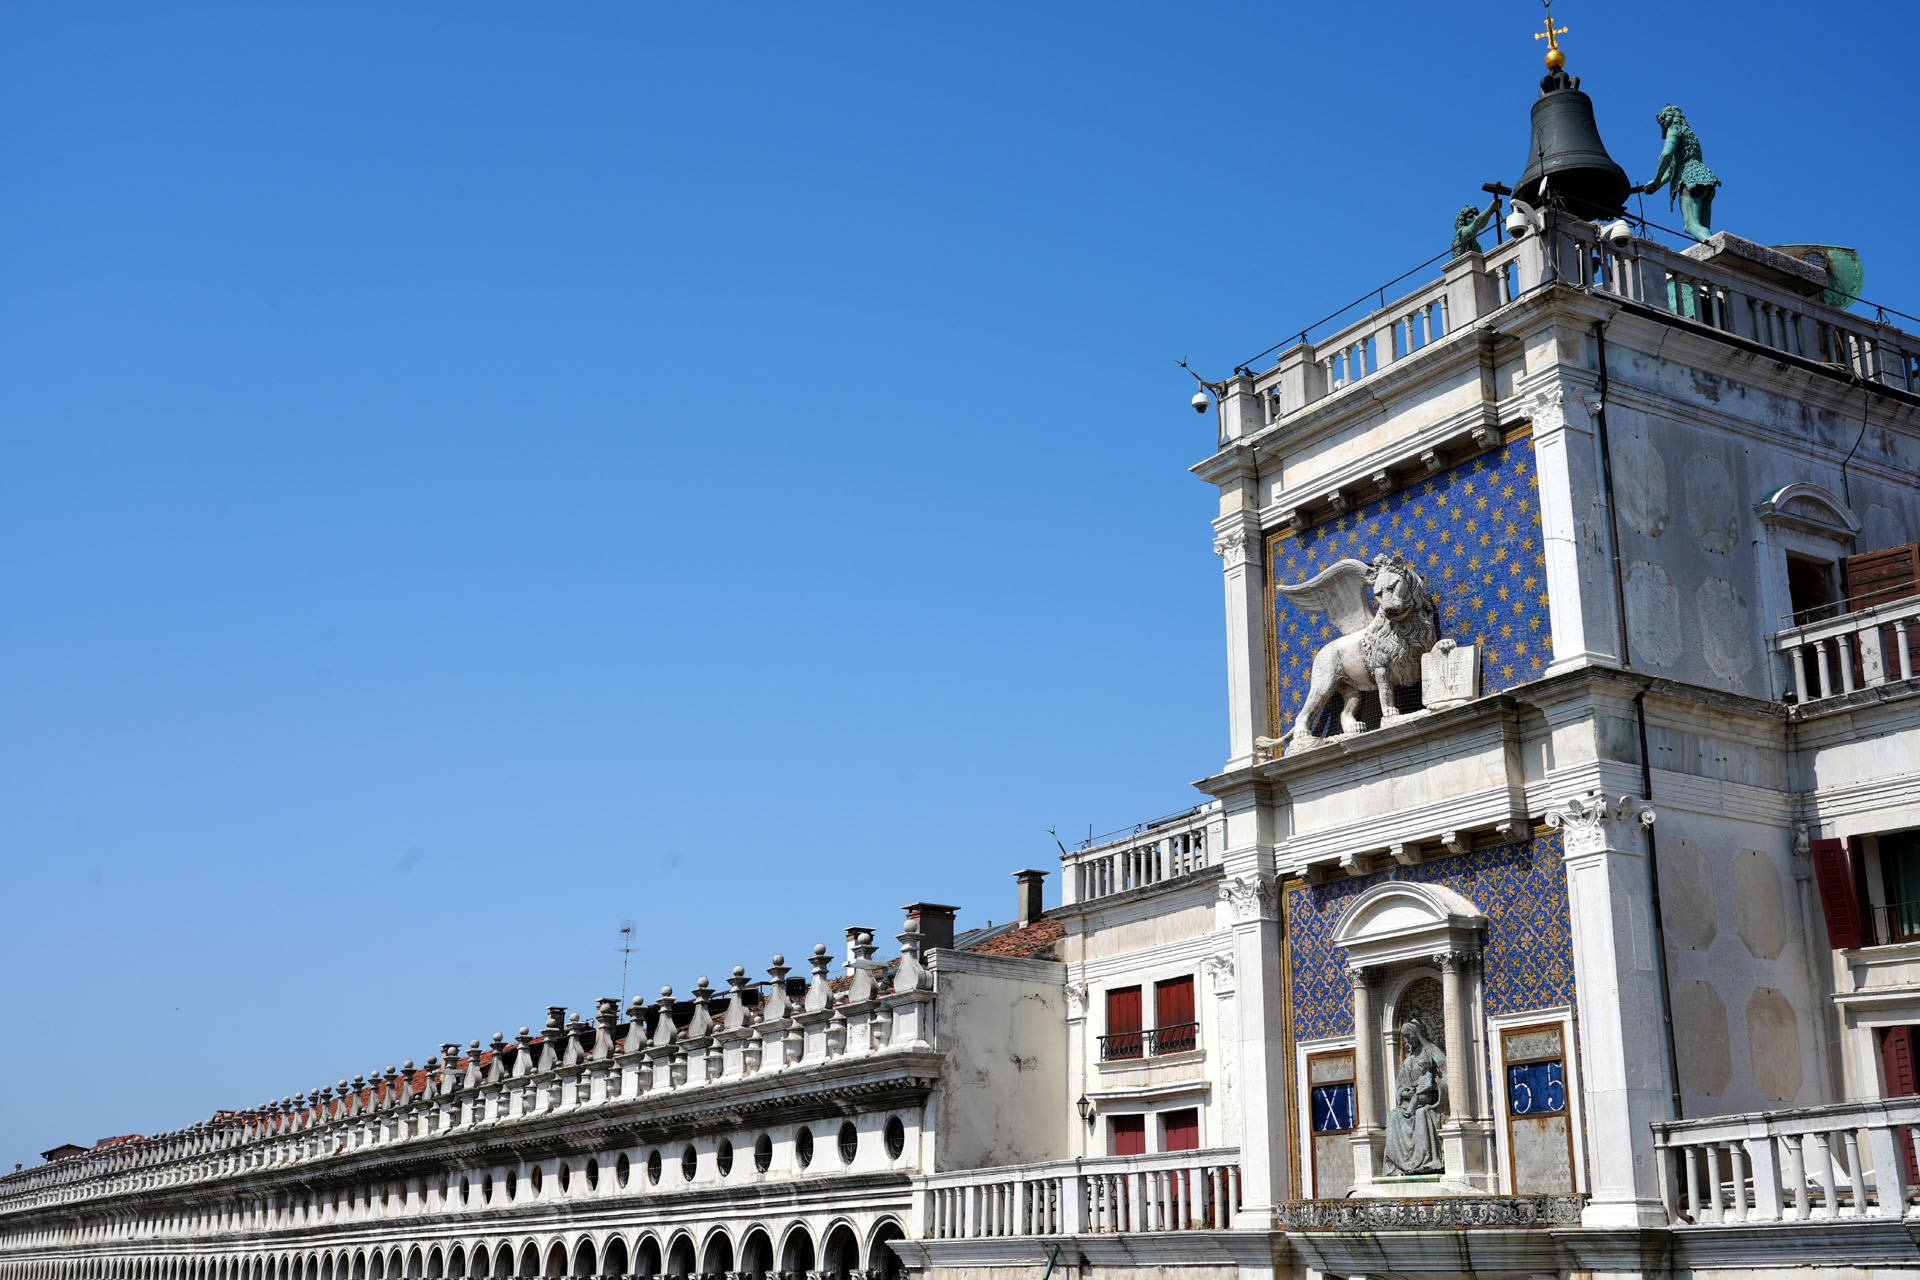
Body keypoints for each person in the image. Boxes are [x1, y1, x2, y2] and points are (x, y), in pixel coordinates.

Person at [1641, 104, 1720, 243]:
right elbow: (1673, 169)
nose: (1664, 121)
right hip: (1707, 183)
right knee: (1702, 229)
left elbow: (1666, 155)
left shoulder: (1674, 129)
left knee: (1691, 226)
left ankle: (1719, 248)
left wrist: (1656, 179)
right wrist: (1657, 185)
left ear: (1674, 117)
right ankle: (1715, 257)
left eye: (1666, 117)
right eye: (1662, 120)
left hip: (1690, 182)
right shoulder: (1689, 132)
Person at [1383, 1018, 1446, 1175]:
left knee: (1420, 1113)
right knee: (1393, 1116)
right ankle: (1401, 1164)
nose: (1406, 1040)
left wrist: (1435, 1085)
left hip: (1429, 1100)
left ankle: (1425, 1160)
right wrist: (1404, 1092)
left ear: (1417, 1034)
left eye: (1409, 1035)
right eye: (1404, 1037)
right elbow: (1400, 1085)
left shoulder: (1431, 1052)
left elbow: (1447, 1075)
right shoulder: (1408, 1060)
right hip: (1410, 1101)